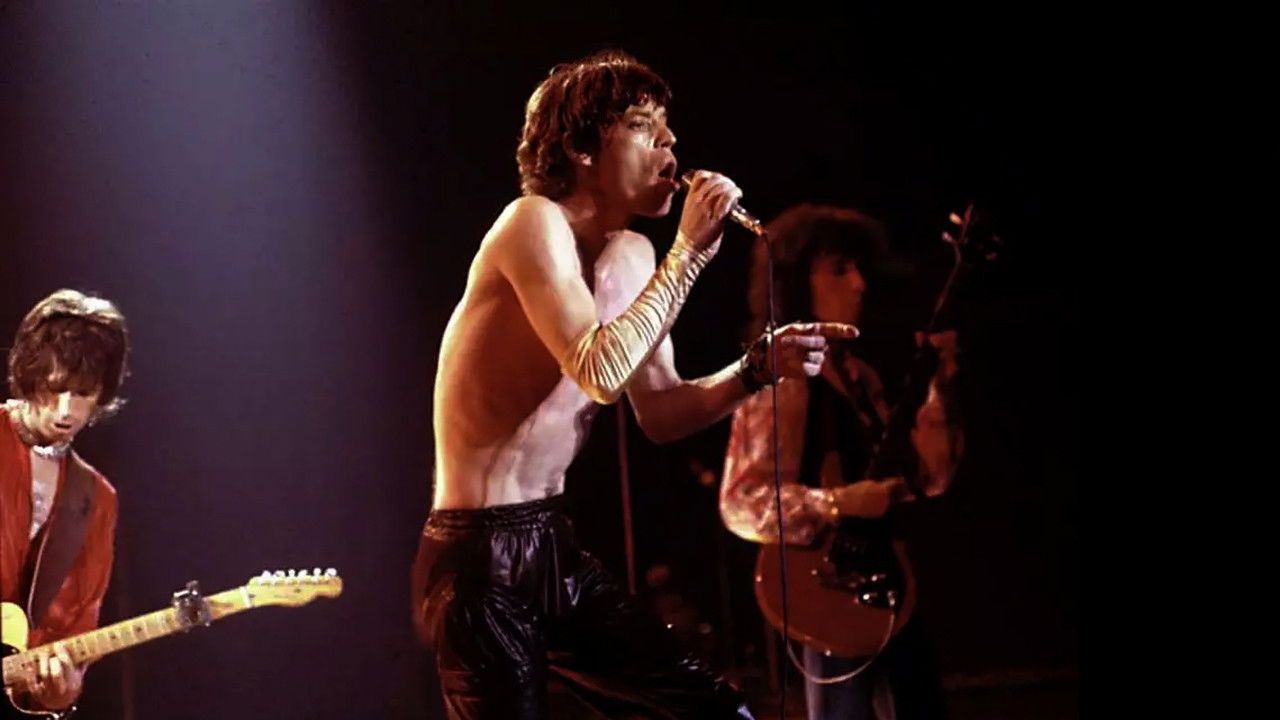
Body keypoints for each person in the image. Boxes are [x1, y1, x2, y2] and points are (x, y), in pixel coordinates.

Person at [409, 50, 855, 719]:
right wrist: (690, 254)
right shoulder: (532, 222)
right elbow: (599, 371)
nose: (670, 142)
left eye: (667, 127)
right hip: (477, 557)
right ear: (583, 148)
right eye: (644, 126)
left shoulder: (633, 254)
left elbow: (662, 413)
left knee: (715, 712)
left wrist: (755, 370)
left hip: (550, 542)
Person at [720, 205, 963, 719]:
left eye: (858, 268)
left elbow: (929, 479)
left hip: (888, 586)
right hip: (827, 595)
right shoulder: (781, 381)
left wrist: (939, 386)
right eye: (838, 270)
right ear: (795, 283)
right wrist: (836, 504)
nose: (859, 284)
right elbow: (742, 503)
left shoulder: (859, 378)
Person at [1, 288, 129, 714]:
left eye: (82, 394)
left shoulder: (96, 500)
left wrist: (62, 694)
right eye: (54, 389)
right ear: (28, 376)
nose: (65, 411)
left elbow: (74, 631)